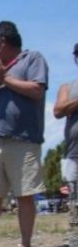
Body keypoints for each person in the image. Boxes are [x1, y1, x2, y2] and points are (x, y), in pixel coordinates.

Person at [0, 20, 50, 247]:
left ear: (2, 41)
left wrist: (4, 78)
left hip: (23, 139)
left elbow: (37, 90)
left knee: (25, 194)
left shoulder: (32, 59)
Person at [56, 43, 78, 205]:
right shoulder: (67, 87)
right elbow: (58, 110)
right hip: (73, 152)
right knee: (74, 200)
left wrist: (71, 106)